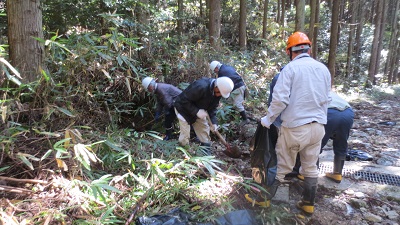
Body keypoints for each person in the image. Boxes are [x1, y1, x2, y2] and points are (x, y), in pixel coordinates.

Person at [260, 31, 331, 215]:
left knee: (282, 166)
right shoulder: (323, 69)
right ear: (308, 48)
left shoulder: (290, 69)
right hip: (318, 127)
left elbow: (280, 100)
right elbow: (326, 98)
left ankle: (263, 201)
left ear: (290, 51)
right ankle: (308, 204)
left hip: (295, 127)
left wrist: (268, 120)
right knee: (310, 166)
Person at [173, 77, 234, 155]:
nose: (219, 95)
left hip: (199, 110)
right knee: (185, 133)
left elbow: (212, 109)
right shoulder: (201, 86)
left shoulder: (218, 93)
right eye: (219, 92)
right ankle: (184, 151)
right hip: (183, 109)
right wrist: (196, 111)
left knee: (203, 128)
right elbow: (183, 100)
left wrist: (214, 122)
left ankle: (206, 149)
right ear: (216, 87)